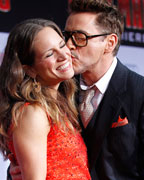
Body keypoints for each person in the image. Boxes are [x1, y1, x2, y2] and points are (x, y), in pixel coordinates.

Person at [0, 18, 91, 180]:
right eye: (50, 54)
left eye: (62, 45)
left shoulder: (60, 106)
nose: (64, 55)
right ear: (29, 70)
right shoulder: (32, 113)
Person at [63, 0, 144, 179]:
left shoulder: (140, 92)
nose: (68, 45)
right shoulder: (58, 89)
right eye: (66, 36)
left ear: (110, 43)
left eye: (79, 37)